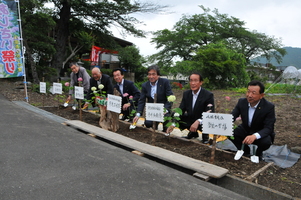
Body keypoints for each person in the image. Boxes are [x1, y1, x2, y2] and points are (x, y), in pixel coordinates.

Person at [230, 80, 276, 160]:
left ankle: (258, 153)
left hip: (260, 132)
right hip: (246, 129)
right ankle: (245, 151)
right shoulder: (242, 102)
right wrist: (222, 127)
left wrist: (255, 136)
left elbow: (269, 127)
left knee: (266, 142)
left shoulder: (268, 107)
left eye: (253, 93)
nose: (249, 95)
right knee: (230, 133)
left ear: (261, 95)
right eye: (248, 92)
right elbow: (232, 117)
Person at [166, 72, 214, 143]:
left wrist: (198, 121)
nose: (193, 83)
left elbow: (210, 112)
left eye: (195, 80)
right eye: (191, 80)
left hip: (202, 120)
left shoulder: (208, 95)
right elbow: (181, 110)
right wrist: (173, 124)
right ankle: (193, 133)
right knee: (175, 114)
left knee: (206, 120)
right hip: (191, 117)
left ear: (201, 82)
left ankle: (205, 137)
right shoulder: (186, 94)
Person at [133, 65, 173, 132]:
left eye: (153, 74)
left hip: (163, 110)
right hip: (152, 111)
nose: (151, 77)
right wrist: (138, 114)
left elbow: (170, 97)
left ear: (158, 75)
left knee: (166, 127)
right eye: (149, 74)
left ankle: (165, 130)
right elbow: (142, 101)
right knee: (148, 123)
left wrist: (166, 110)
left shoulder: (164, 82)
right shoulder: (145, 85)